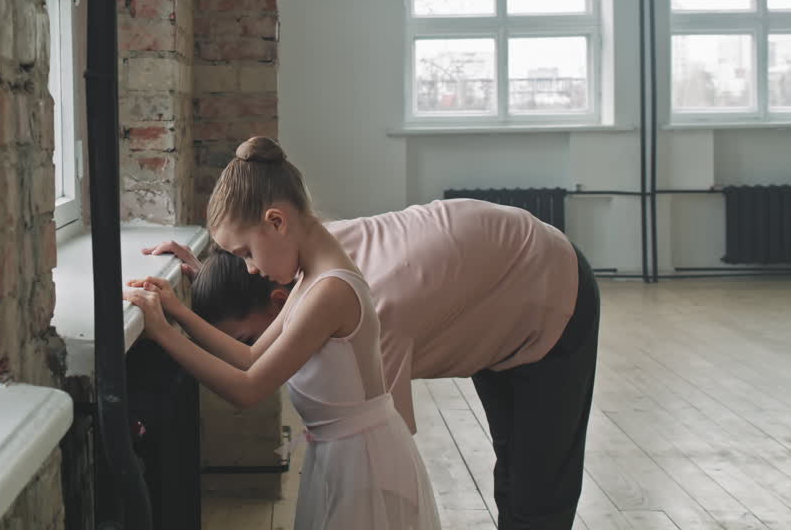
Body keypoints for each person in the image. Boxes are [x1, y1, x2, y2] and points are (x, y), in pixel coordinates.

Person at [143, 198, 601, 530]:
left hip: (551, 287)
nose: (257, 346)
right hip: (492, 272)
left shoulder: (368, 314)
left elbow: (389, 451)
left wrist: (168, 329)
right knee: (515, 469)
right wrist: (206, 282)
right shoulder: (301, 259)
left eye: (249, 335)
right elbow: (259, 319)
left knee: (536, 492)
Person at [124, 137, 440, 530]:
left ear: (276, 221)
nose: (251, 269)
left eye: (246, 254)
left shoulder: (330, 291)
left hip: (365, 464)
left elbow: (248, 388)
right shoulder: (312, 276)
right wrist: (178, 313)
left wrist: (162, 333)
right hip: (341, 455)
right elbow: (252, 358)